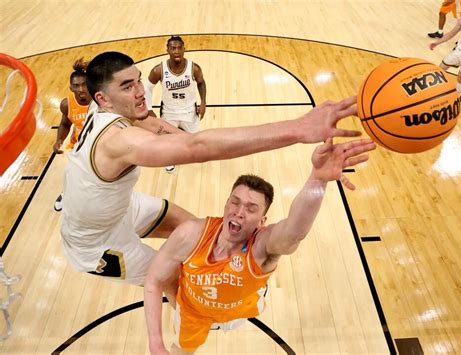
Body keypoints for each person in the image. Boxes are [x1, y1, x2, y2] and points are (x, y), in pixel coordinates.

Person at [60, 50, 362, 287]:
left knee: (198, 235)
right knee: (181, 279)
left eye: (138, 80)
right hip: (96, 244)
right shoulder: (118, 140)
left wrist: (203, 142)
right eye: (128, 86)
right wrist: (297, 129)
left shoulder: (111, 106)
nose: (140, 91)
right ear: (104, 99)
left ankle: (219, 284)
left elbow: (165, 129)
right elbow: (197, 149)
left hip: (120, 209)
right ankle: (193, 321)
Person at [143, 137, 376, 355]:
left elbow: (294, 232)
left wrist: (318, 180)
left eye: (251, 208)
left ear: (262, 222)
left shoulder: (262, 246)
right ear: (225, 205)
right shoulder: (190, 234)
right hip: (194, 312)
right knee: (180, 350)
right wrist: (155, 342)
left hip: (241, 309)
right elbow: (154, 280)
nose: (239, 212)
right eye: (234, 202)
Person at [145, 35, 207, 173]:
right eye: (173, 48)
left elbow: (201, 83)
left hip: (189, 110)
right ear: (167, 50)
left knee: (195, 138)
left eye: (179, 48)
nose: (176, 51)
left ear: (184, 49)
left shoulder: (194, 68)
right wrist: (149, 109)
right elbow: (147, 88)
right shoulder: (159, 70)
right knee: (166, 141)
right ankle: (169, 160)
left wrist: (203, 102)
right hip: (169, 112)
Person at [53, 58, 92, 212]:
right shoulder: (66, 104)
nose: (81, 89)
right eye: (77, 85)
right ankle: (67, 194)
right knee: (72, 172)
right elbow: (65, 124)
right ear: (71, 88)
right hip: (79, 144)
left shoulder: (99, 100)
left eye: (84, 84)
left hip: (99, 144)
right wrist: (59, 140)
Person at [429, 0, 461, 94]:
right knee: (440, 69)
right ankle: (433, 91)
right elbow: (451, 34)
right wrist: (437, 43)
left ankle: (458, 96)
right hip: (458, 51)